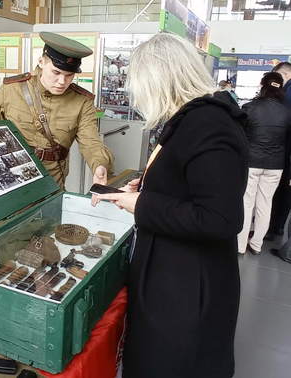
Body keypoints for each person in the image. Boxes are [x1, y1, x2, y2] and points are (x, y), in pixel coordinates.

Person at [92, 33, 248, 378]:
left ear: (158, 81)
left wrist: (143, 205)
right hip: (177, 276)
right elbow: (189, 182)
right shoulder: (194, 119)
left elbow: (220, 217)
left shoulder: (207, 125)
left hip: (186, 292)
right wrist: (147, 187)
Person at [0, 32, 115, 189]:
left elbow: (91, 142)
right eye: (56, 72)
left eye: (69, 75)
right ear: (41, 62)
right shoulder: (11, 90)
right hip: (12, 177)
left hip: (53, 179)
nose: (62, 82)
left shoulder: (82, 102)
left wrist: (99, 166)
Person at [237, 72, 291, 255]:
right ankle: (257, 244)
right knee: (265, 204)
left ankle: (240, 244)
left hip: (251, 161)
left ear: (263, 85)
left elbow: (240, 135)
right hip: (276, 164)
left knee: (246, 202)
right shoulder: (287, 112)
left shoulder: (249, 107)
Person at [266, 61, 291, 240]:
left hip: (282, 150)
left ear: (285, 74)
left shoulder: (288, 93)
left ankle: (273, 227)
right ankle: (278, 227)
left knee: (278, 191)